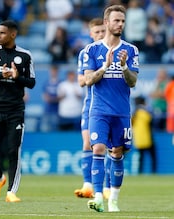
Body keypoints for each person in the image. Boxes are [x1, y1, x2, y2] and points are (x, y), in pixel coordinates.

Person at [83, 5, 139, 212]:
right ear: (106, 22)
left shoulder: (131, 50)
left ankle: (113, 199)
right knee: (96, 148)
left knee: (117, 153)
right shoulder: (92, 50)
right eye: (116, 20)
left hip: (122, 112)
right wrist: (105, 66)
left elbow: (132, 82)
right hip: (99, 110)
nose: (120, 24)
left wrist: (124, 66)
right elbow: (88, 80)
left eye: (123, 21)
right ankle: (98, 197)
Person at [0, 20, 35, 202]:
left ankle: (11, 192)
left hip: (15, 110)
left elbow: (31, 82)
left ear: (13, 34)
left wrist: (17, 77)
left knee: (13, 151)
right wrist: (0, 75)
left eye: (2, 33)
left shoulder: (25, 56)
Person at [74, 17, 105, 199]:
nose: (101, 34)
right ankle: (87, 185)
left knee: (108, 147)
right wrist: (97, 73)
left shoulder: (114, 50)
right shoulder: (86, 53)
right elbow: (81, 80)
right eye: (97, 32)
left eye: (103, 31)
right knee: (88, 143)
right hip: (91, 105)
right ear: (90, 34)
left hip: (110, 106)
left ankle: (106, 186)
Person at [132, 96, 157, 174]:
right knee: (153, 157)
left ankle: (140, 172)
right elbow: (151, 120)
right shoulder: (144, 112)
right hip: (147, 138)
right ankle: (153, 172)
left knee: (141, 157)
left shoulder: (134, 114)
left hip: (138, 139)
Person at [41, 64, 60, 132]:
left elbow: (60, 97)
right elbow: (45, 97)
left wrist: (53, 99)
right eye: (52, 71)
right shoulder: (46, 83)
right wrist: (54, 99)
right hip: (47, 110)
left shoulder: (60, 83)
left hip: (57, 110)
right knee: (45, 129)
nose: (53, 72)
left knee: (55, 129)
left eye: (55, 71)